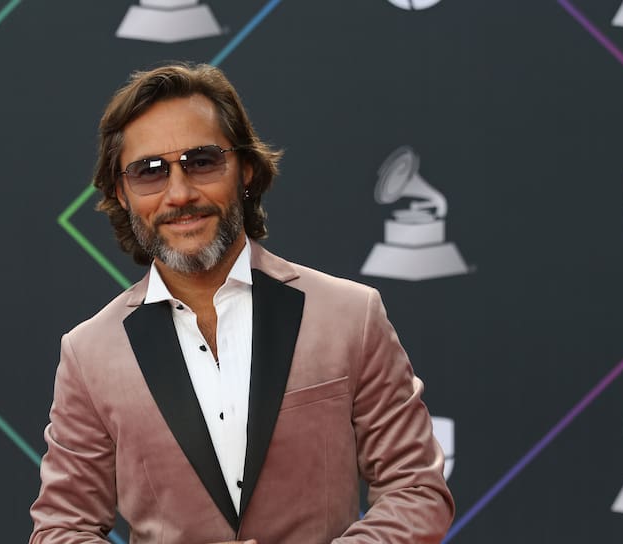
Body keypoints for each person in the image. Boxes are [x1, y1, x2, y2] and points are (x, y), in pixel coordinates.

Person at [29, 63, 453, 543]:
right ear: (121, 194)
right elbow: (62, 529)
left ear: (245, 170)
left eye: (201, 162)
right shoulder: (89, 354)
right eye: (149, 172)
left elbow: (415, 489)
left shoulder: (350, 316)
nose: (179, 193)